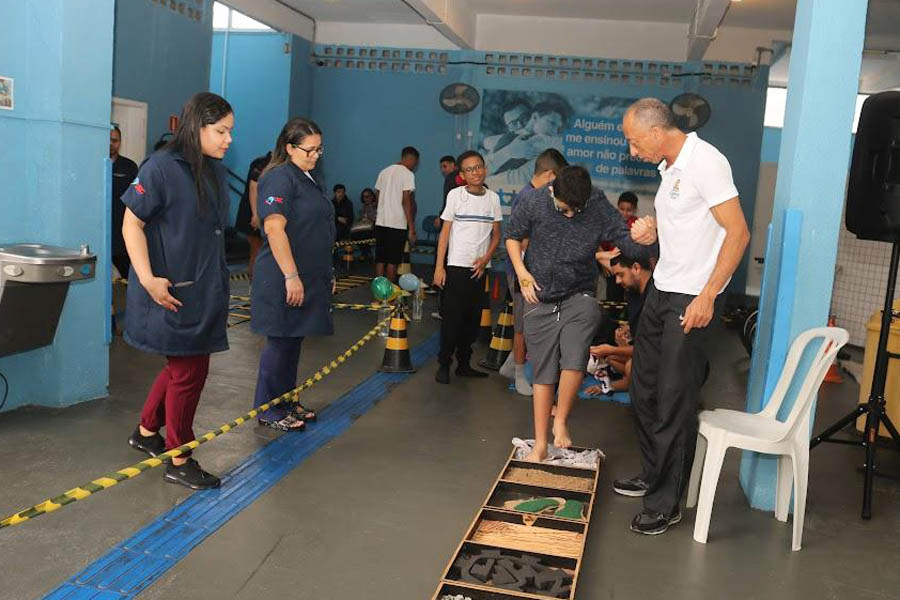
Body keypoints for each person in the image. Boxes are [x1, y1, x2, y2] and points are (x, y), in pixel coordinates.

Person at [617, 97, 750, 535]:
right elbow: (689, 218)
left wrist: (709, 295)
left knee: (674, 399)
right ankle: (656, 476)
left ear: (657, 132)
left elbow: (738, 231)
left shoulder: (706, 162)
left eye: (636, 143)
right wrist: (654, 227)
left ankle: (666, 502)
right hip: (662, 289)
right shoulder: (669, 167)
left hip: (692, 298)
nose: (634, 152)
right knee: (643, 391)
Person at [505, 165, 655, 463]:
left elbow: (622, 239)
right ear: (552, 190)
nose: (572, 214)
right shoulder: (535, 201)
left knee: (574, 354)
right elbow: (512, 235)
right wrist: (522, 273)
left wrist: (648, 238)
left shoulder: (596, 203)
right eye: (565, 208)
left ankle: (560, 419)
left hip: (579, 293)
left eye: (577, 208)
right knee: (544, 370)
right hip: (539, 294)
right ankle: (540, 444)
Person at [122, 92, 234, 490]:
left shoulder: (212, 170)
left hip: (204, 288)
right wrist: (149, 279)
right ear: (196, 127)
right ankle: (178, 457)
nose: (227, 140)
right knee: (190, 372)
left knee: (181, 368)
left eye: (230, 132)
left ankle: (147, 431)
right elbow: (130, 224)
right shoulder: (160, 168)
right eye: (220, 131)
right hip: (171, 291)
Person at [250, 118, 333, 432]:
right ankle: (268, 408)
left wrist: (326, 273)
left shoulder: (308, 177)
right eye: (308, 150)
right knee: (280, 341)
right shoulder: (279, 176)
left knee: (293, 342)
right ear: (289, 147)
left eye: (319, 150)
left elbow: (317, 228)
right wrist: (290, 276)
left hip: (309, 274)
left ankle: (285, 400)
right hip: (282, 275)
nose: (314, 155)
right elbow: (273, 227)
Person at [499, 148, 568, 397]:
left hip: (533, 270)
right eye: (558, 179)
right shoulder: (527, 198)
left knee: (530, 323)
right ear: (550, 175)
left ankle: (510, 365)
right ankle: (518, 374)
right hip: (521, 273)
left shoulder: (540, 197)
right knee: (522, 326)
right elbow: (517, 239)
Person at [432, 151, 502, 384]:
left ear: (485, 169)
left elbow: (496, 236)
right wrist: (439, 267)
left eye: (479, 167)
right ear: (462, 174)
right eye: (470, 169)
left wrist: (485, 259)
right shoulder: (455, 195)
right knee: (452, 319)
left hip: (481, 269)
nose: (476, 172)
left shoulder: (492, 198)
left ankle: (464, 364)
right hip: (456, 267)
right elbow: (445, 234)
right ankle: (444, 364)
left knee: (472, 321)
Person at [586, 253, 652, 395]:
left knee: (628, 364)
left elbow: (647, 348)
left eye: (621, 275)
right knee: (612, 358)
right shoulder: (631, 293)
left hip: (657, 355)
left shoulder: (655, 296)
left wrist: (611, 349)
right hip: (642, 350)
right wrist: (626, 333)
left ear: (636, 268)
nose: (617, 281)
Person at [374, 146, 418, 282]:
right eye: (415, 163)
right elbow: (406, 201)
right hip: (397, 224)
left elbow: (377, 195)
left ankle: (379, 294)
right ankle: (387, 296)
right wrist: (411, 228)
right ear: (411, 159)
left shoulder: (384, 172)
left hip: (381, 222)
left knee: (380, 259)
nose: (414, 166)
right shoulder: (408, 174)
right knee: (393, 261)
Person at [234, 151, 271, 279]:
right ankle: (255, 283)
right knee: (257, 250)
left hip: (261, 213)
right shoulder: (262, 165)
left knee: (260, 251)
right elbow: (253, 188)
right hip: (252, 214)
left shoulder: (264, 164)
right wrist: (255, 215)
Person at [598, 191, 640, 302]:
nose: (625, 213)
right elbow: (601, 245)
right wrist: (603, 263)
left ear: (635, 210)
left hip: (628, 267)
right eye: (622, 209)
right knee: (613, 294)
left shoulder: (637, 225)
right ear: (617, 206)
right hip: (610, 267)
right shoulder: (610, 223)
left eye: (629, 210)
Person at [110, 124, 139, 278]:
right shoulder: (93, 164)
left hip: (122, 231)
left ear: (120, 142)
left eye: (115, 140)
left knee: (129, 274)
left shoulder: (129, 167)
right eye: (108, 140)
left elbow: (139, 193)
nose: (111, 144)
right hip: (99, 230)